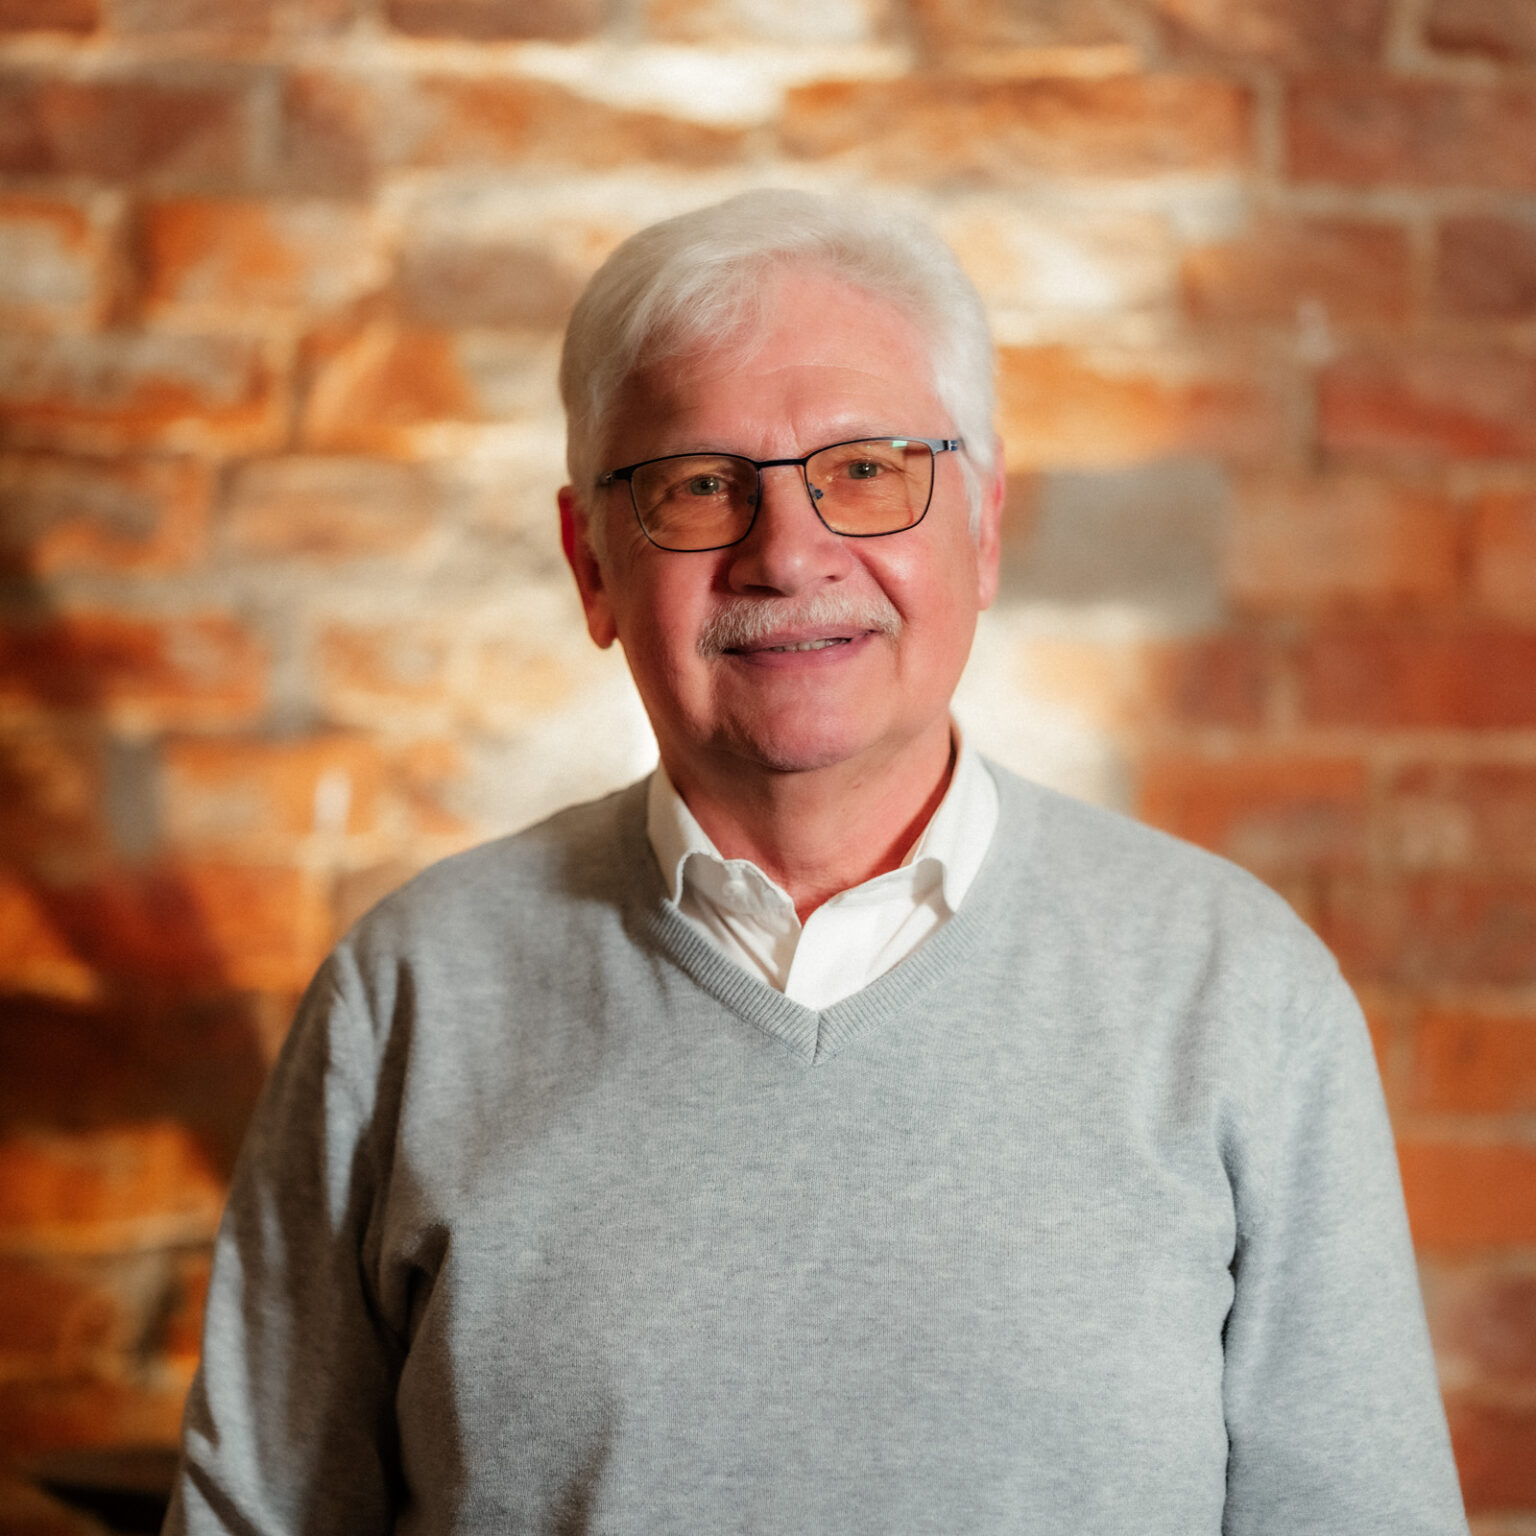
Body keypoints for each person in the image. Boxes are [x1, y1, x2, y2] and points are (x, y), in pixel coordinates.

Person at [165, 189, 1469, 1535]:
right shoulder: (410, 997)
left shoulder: (1239, 994)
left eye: (865, 470)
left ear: (984, 525)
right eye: (696, 486)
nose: (787, 552)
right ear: (591, 565)